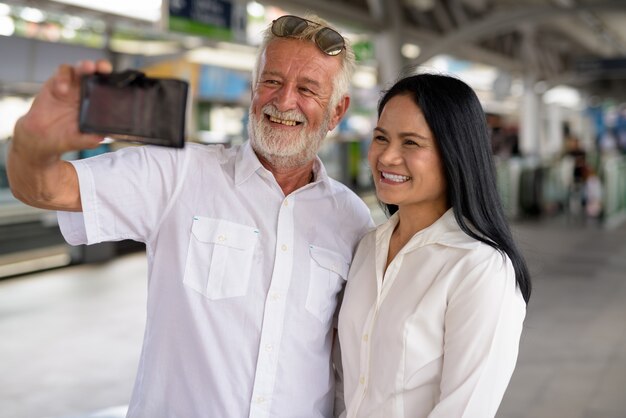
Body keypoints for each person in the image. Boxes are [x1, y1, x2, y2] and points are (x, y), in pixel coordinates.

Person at [7, 14, 374, 418]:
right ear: (252, 90)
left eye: (307, 89)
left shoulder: (353, 221)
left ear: (337, 111)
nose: (284, 101)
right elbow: (44, 188)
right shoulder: (176, 173)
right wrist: (33, 140)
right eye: (271, 81)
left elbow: (348, 356)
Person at [336, 73, 532, 418]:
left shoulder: (480, 267)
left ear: (454, 152)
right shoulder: (368, 246)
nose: (387, 157)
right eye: (381, 138)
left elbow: (465, 408)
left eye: (411, 143)